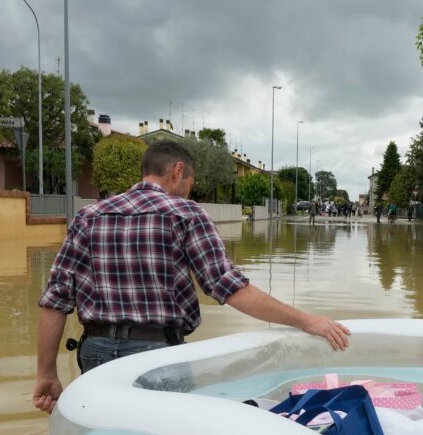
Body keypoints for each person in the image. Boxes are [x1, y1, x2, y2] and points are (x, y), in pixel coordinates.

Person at [33, 140, 350, 412]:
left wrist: (45, 373)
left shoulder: (89, 217)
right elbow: (229, 288)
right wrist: (306, 320)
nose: (189, 191)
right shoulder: (185, 214)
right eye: (190, 183)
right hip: (157, 356)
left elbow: (56, 299)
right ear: (177, 171)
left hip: (95, 352)